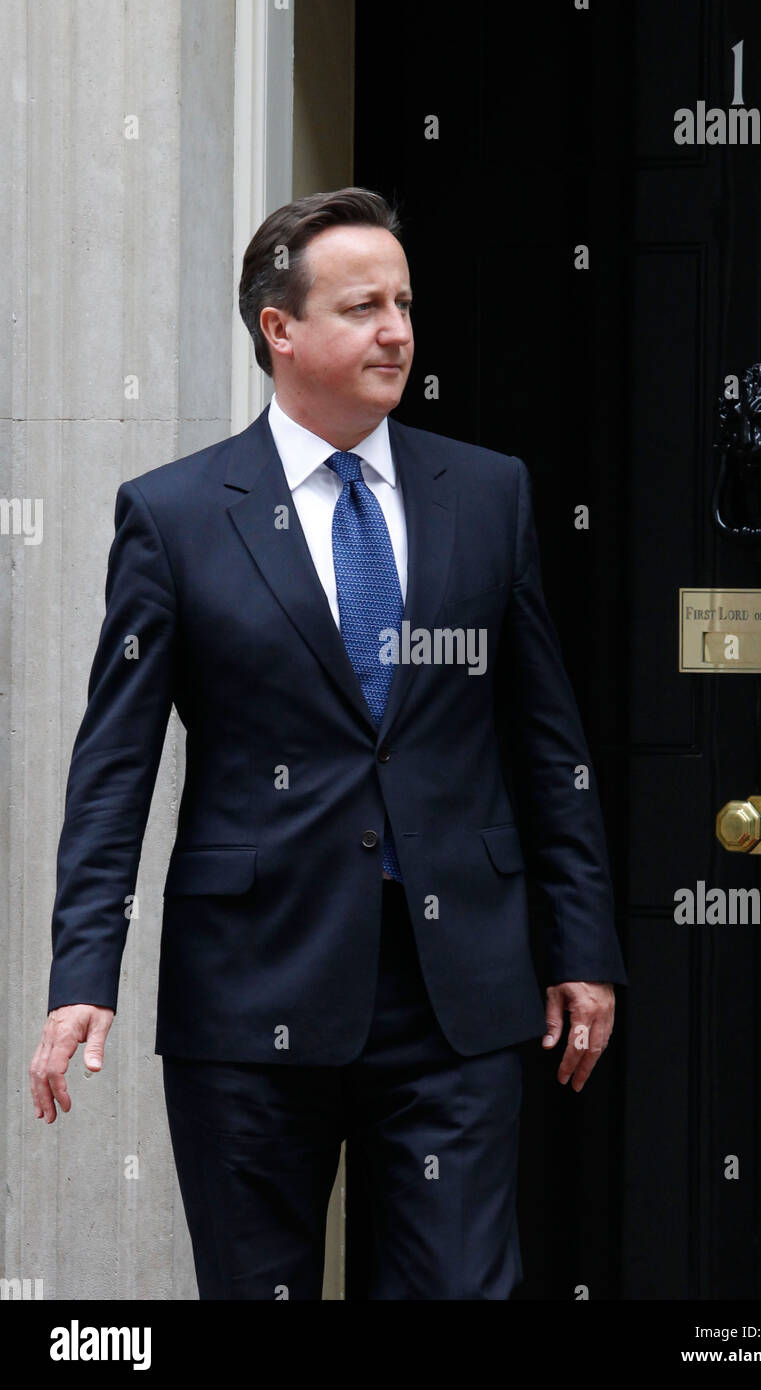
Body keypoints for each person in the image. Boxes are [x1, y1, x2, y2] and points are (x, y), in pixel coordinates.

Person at [29, 187, 627, 1300]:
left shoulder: (487, 494)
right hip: (252, 987)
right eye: (362, 306)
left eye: (403, 303)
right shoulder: (175, 514)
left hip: (456, 992)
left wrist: (580, 941)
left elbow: (547, 739)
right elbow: (113, 763)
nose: (396, 330)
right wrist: (83, 970)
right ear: (279, 330)